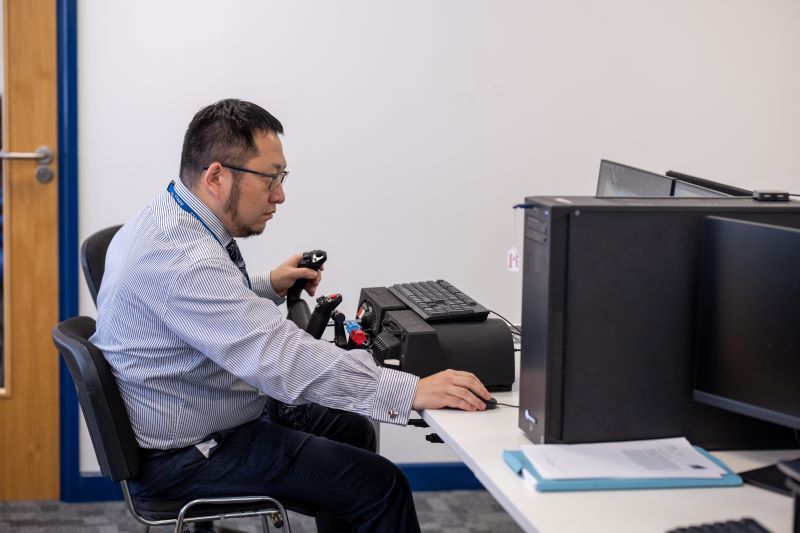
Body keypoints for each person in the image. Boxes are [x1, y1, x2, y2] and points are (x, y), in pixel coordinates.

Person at [92, 98, 492, 533]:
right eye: (270, 178)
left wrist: (268, 284)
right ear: (216, 176)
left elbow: (205, 311)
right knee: (381, 486)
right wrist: (410, 390)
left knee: (352, 430)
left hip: (202, 405)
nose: (279, 195)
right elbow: (280, 359)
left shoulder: (171, 215)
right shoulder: (183, 259)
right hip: (191, 453)